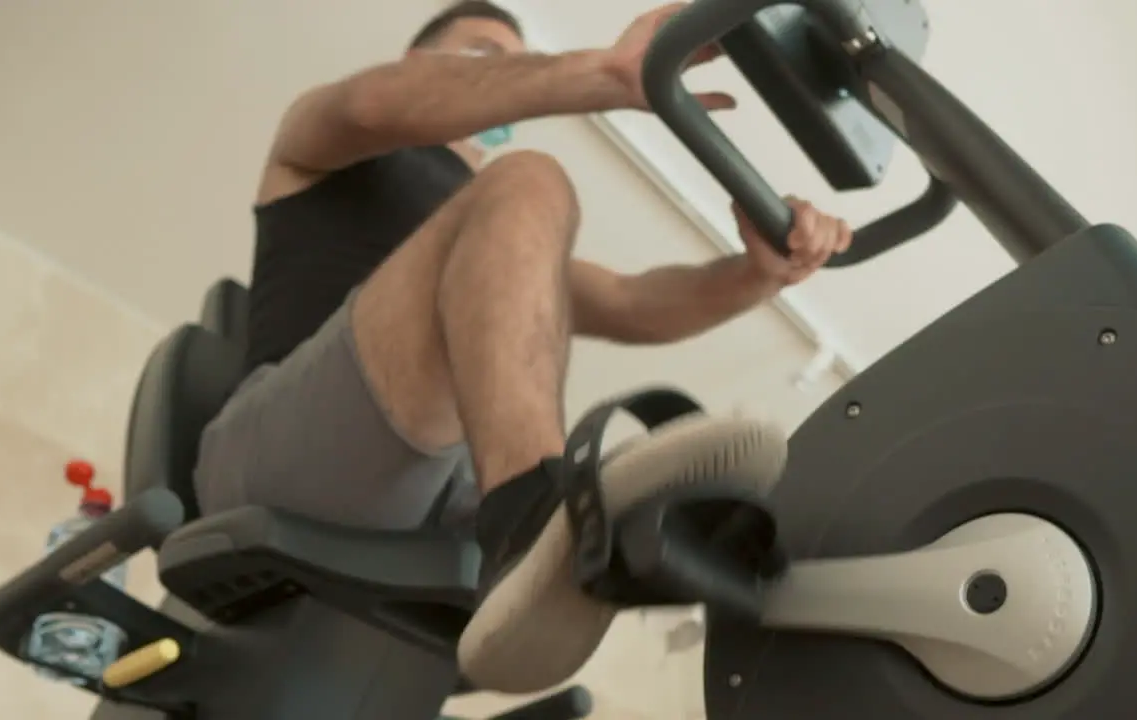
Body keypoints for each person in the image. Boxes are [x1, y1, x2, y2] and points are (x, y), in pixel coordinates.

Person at [193, 0, 852, 693]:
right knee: (531, 181)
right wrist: (605, 72)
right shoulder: (319, 145)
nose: (509, 69)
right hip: (279, 463)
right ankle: (541, 520)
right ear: (419, 63)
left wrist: (758, 275)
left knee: (523, 203)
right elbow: (369, 104)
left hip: (438, 504)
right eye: (485, 54)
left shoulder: (489, 238)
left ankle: (615, 543)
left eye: (517, 57)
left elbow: (632, 305)